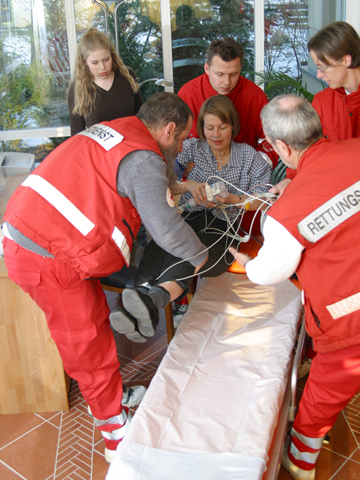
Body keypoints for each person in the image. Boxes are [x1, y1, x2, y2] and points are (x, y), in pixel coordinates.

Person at [2, 92, 208, 463]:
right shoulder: (145, 159)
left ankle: (113, 399)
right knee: (86, 341)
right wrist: (199, 256)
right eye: (181, 139)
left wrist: (176, 188)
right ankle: (115, 431)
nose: (181, 147)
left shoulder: (118, 131)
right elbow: (164, 226)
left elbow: (125, 180)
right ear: (168, 129)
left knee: (95, 321)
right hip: (46, 254)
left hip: (38, 234)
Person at [230, 94, 360, 480]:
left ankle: (301, 461)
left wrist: (247, 262)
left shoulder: (286, 215)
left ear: (281, 147)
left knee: (325, 391)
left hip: (348, 318)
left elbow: (269, 273)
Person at [109, 95, 271, 342]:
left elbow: (266, 199)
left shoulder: (249, 157)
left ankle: (144, 300)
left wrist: (232, 200)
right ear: (201, 128)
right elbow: (163, 184)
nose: (215, 134)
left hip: (223, 226)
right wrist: (188, 186)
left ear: (233, 126)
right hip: (186, 216)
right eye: (209, 127)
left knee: (192, 249)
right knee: (166, 244)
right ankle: (145, 299)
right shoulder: (191, 148)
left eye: (223, 127)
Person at [272, 21, 360, 196]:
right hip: (333, 196)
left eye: (322, 67)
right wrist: (290, 179)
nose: (319, 75)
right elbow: (307, 147)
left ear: (346, 60)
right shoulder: (322, 101)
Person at [177, 37, 278, 170]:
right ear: (207, 68)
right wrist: (180, 165)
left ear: (240, 68)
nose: (226, 82)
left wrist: (257, 167)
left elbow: (273, 139)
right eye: (219, 74)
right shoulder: (187, 94)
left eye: (233, 74)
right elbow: (173, 138)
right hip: (195, 177)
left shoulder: (255, 96)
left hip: (244, 177)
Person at [68, 28, 143, 136]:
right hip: (98, 151)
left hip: (131, 147)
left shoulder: (127, 76)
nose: (102, 67)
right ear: (85, 62)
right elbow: (76, 133)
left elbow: (141, 117)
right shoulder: (77, 88)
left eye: (106, 60)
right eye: (95, 62)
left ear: (112, 55)